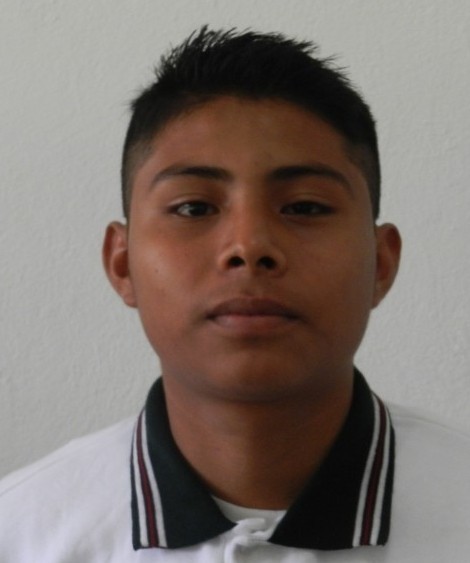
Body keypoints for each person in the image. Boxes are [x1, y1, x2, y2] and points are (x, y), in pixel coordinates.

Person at [1, 26, 469, 562]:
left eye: (306, 207)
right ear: (122, 262)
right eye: (194, 208)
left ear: (381, 263)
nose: (249, 246)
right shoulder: (21, 535)